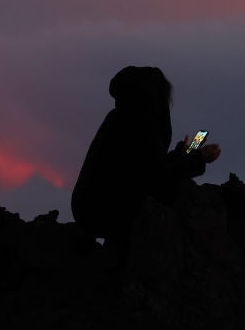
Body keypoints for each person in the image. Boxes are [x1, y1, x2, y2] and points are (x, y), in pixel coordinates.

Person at [71, 66, 221, 255]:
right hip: (105, 210)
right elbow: (156, 176)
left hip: (90, 207)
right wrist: (199, 158)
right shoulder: (141, 123)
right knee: (183, 193)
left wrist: (180, 155)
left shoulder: (120, 117)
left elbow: (146, 166)